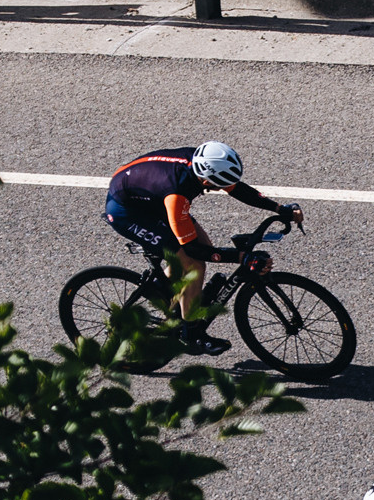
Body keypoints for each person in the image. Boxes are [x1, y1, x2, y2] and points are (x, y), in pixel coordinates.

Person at [103, 141, 305, 355]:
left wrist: (279, 208)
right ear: (206, 180)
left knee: (204, 246)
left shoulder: (205, 162)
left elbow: (237, 189)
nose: (222, 188)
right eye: (218, 185)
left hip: (148, 195)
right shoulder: (177, 196)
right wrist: (241, 257)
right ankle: (191, 334)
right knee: (193, 265)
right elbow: (193, 250)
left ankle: (162, 287)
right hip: (127, 212)